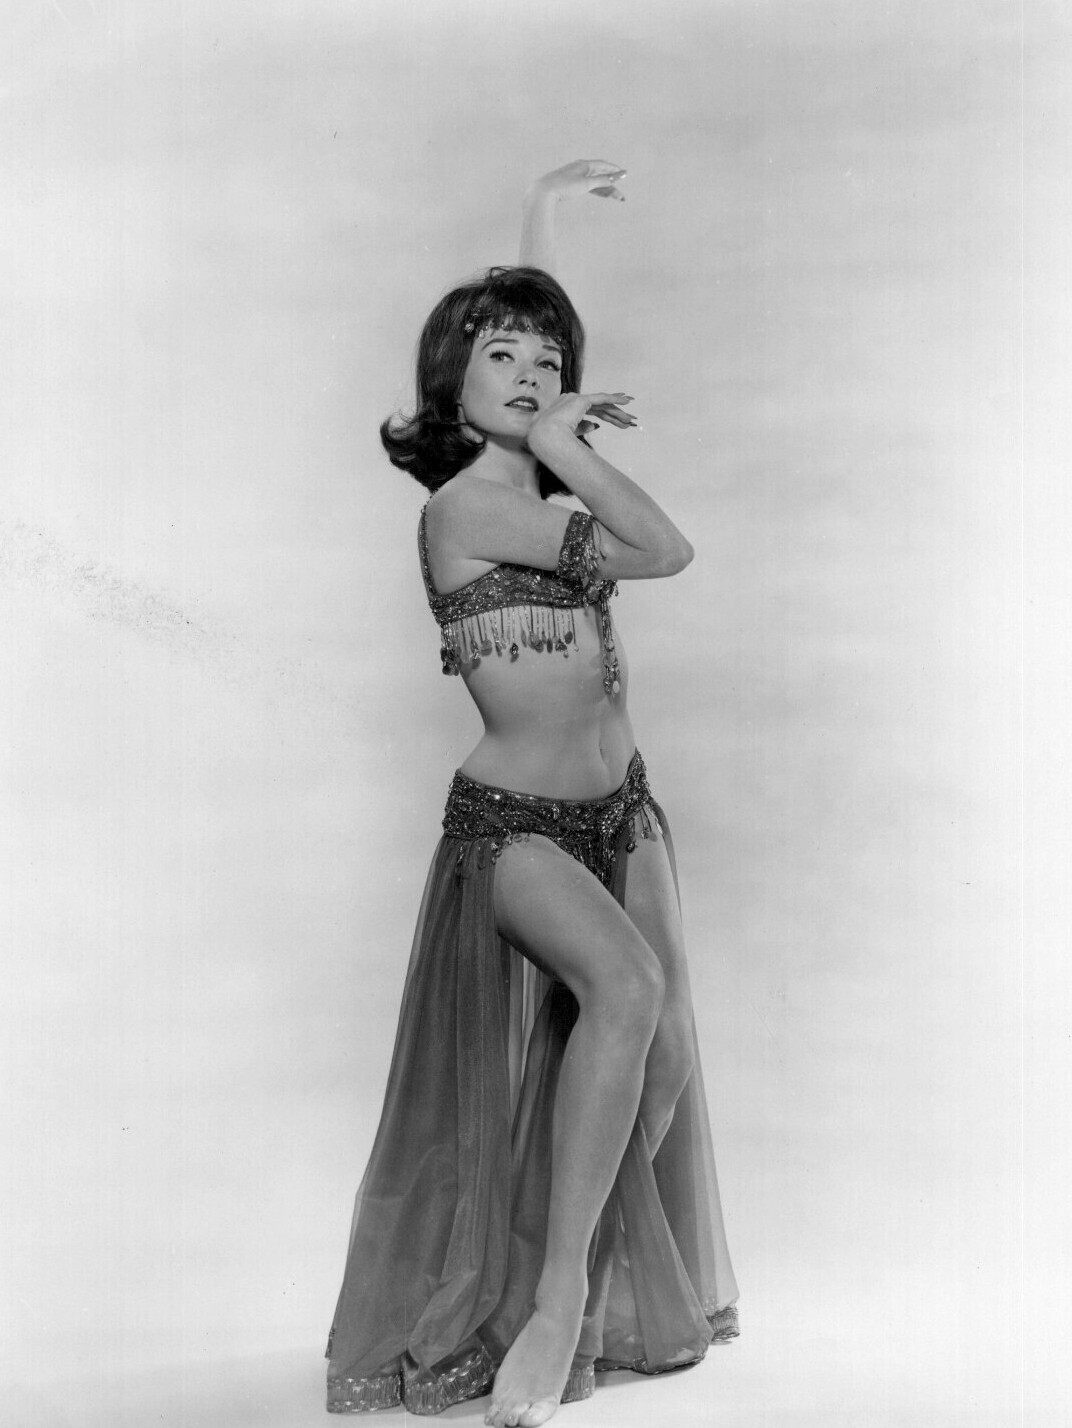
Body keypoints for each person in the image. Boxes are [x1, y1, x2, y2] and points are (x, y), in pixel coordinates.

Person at [326, 161, 738, 1428]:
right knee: (627, 989)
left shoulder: (541, 489)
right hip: (513, 832)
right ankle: (554, 1309)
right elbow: (664, 549)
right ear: (449, 383)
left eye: (548, 361)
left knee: (662, 1060)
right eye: (498, 357)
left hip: (625, 813)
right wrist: (561, 435)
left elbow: (531, 332)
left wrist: (541, 213)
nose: (529, 373)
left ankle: (564, 1285)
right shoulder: (467, 511)